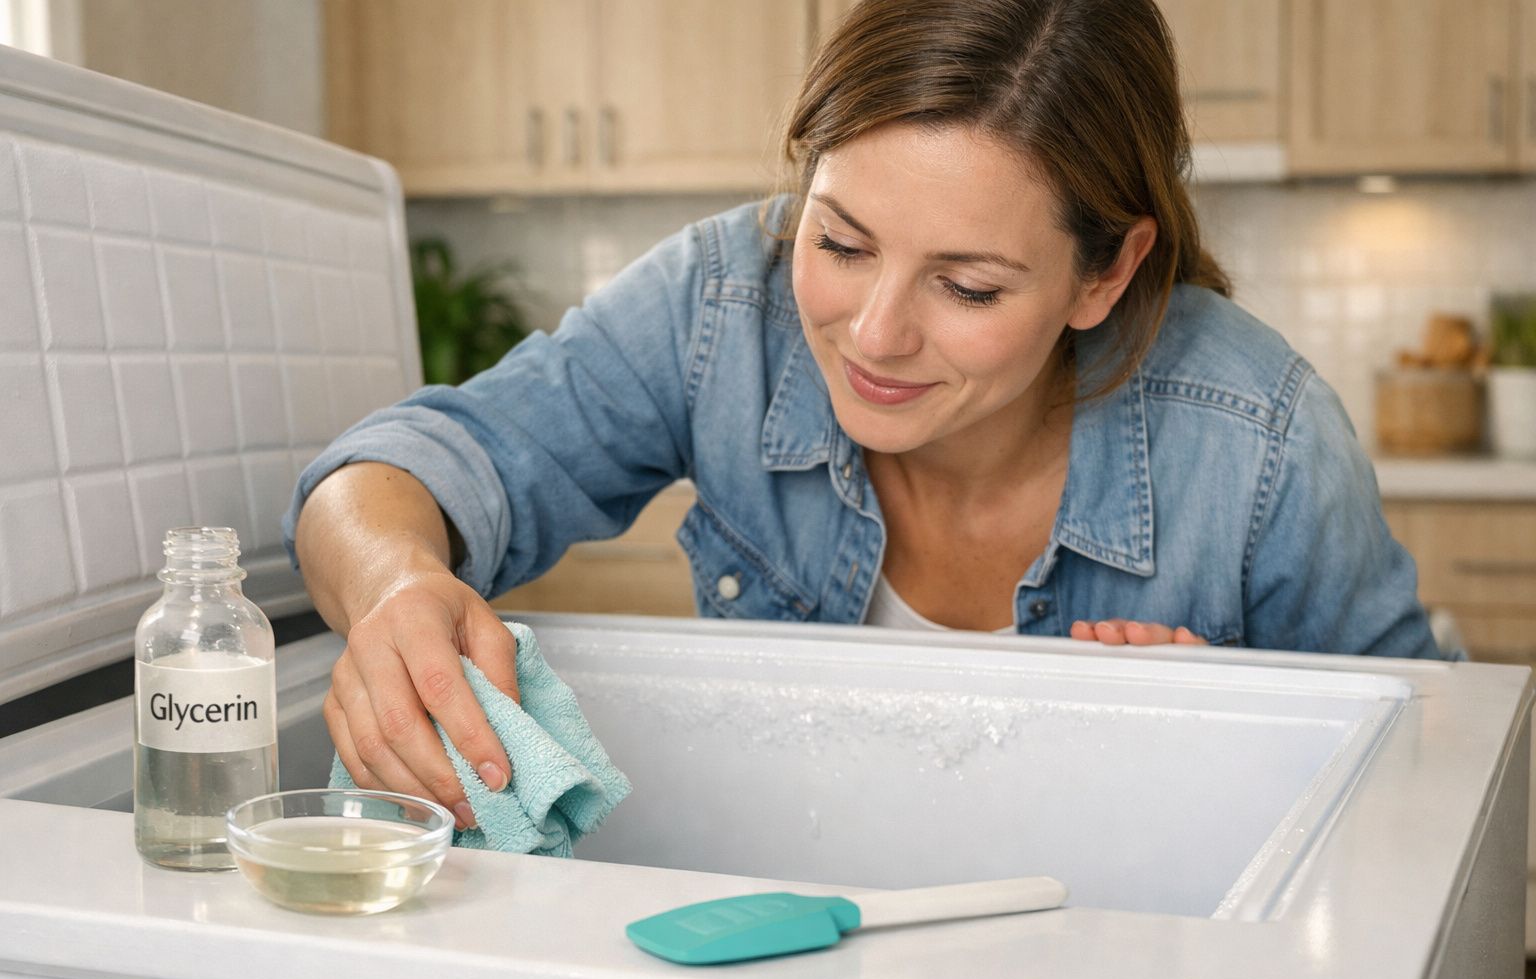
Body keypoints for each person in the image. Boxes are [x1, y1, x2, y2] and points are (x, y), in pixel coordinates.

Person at [284, 0, 1444, 831]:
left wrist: (1261, 738)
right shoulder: (719, 305)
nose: (874, 332)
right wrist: (393, 585)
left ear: (1107, 273)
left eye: (968, 286)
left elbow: (1433, 782)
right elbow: (409, 465)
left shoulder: (1259, 437)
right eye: (838, 241)